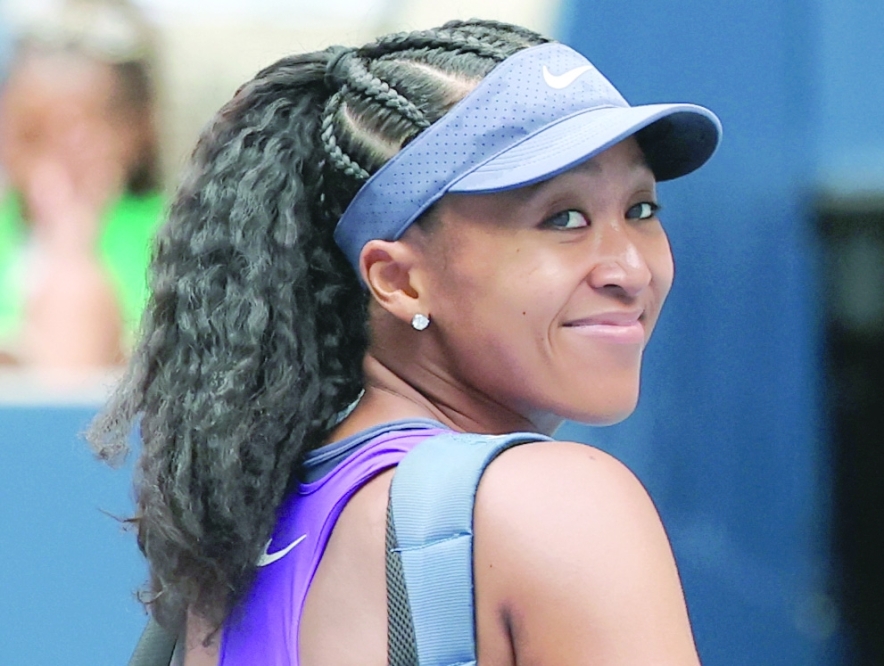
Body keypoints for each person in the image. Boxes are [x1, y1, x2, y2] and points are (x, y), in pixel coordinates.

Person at [88, 18, 721, 666]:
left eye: (641, 209)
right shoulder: (560, 505)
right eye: (563, 218)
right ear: (399, 280)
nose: (630, 269)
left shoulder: (236, 547)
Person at [0, 0, 163, 370]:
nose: (56, 158)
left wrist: (71, 248)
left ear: (138, 130)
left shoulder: (173, 234)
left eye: (81, 135)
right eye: (33, 134)